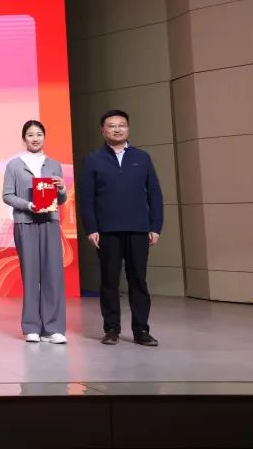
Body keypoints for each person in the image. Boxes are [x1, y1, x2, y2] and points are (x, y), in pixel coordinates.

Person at [78, 109, 164, 347]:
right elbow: (86, 198)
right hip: (106, 231)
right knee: (109, 281)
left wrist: (155, 226)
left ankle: (141, 330)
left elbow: (155, 194)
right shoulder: (93, 159)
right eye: (112, 125)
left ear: (128, 128)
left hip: (138, 229)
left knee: (138, 280)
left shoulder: (142, 157)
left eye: (121, 125)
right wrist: (91, 228)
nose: (117, 129)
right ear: (103, 130)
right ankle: (111, 329)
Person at [2, 120, 68, 344]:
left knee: (52, 274)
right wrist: (28, 205)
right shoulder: (14, 165)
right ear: (24, 139)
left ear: (44, 137)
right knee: (30, 275)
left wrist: (61, 189)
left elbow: (61, 199)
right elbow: (7, 195)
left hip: (49, 221)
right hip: (25, 222)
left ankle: (53, 328)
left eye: (39, 134)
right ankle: (31, 326)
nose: (35, 138)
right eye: (30, 135)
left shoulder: (54, 164)